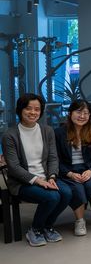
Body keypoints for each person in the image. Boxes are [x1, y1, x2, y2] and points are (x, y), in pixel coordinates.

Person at [2, 94, 72, 246]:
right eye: (28, 109)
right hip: (23, 182)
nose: (33, 112)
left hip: (47, 177)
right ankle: (35, 229)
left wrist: (52, 177)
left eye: (37, 109)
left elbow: (53, 158)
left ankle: (47, 226)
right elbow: (13, 167)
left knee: (66, 193)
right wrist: (38, 181)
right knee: (52, 197)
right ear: (20, 110)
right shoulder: (10, 135)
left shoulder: (47, 131)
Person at [55, 100, 91, 236]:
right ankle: (79, 221)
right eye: (78, 112)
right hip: (69, 171)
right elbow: (55, 160)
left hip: (88, 169)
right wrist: (69, 174)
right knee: (77, 188)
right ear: (70, 113)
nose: (82, 116)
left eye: (86, 113)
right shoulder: (59, 133)